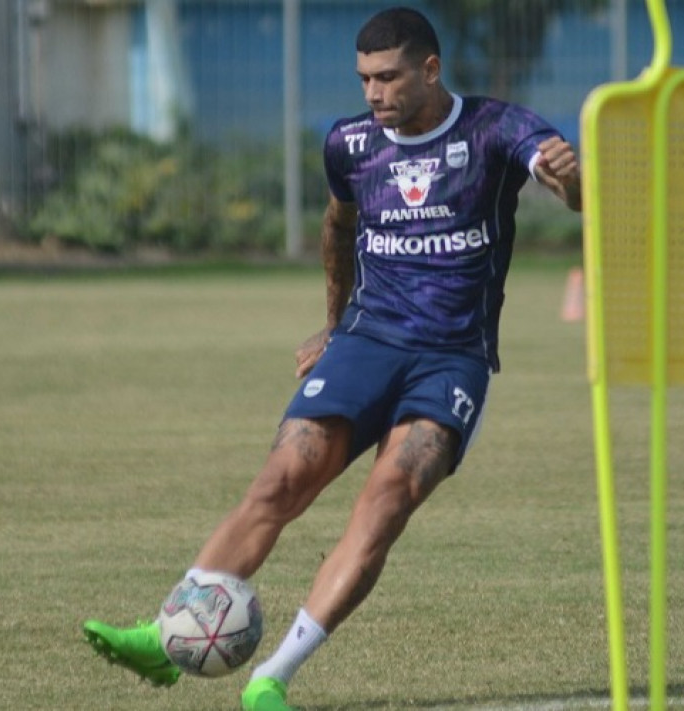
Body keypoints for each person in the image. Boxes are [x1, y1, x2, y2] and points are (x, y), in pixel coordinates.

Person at [81, 7, 581, 710]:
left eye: (387, 77)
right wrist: (330, 323)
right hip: (364, 341)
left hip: (451, 357)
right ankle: (166, 635)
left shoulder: (495, 127)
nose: (373, 93)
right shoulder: (348, 144)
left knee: (385, 502)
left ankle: (271, 677)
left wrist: (569, 177)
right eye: (364, 79)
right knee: (281, 479)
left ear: (429, 69)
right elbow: (338, 226)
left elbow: (571, 191)